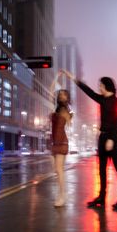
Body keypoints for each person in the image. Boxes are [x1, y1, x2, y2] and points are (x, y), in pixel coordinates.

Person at [61, 70, 117, 209]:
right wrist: (72, 78)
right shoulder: (102, 99)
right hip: (102, 137)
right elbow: (88, 91)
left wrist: (111, 139)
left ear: (107, 86)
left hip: (112, 138)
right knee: (101, 169)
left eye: (101, 86)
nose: (99, 88)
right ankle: (102, 197)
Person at [50, 76, 73, 207]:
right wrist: (57, 76)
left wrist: (69, 116)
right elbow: (51, 90)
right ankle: (62, 193)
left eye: (64, 95)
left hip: (62, 142)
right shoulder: (57, 108)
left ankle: (62, 195)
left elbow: (69, 120)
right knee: (57, 170)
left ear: (67, 98)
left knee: (59, 170)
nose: (61, 96)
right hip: (55, 143)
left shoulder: (65, 110)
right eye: (61, 94)